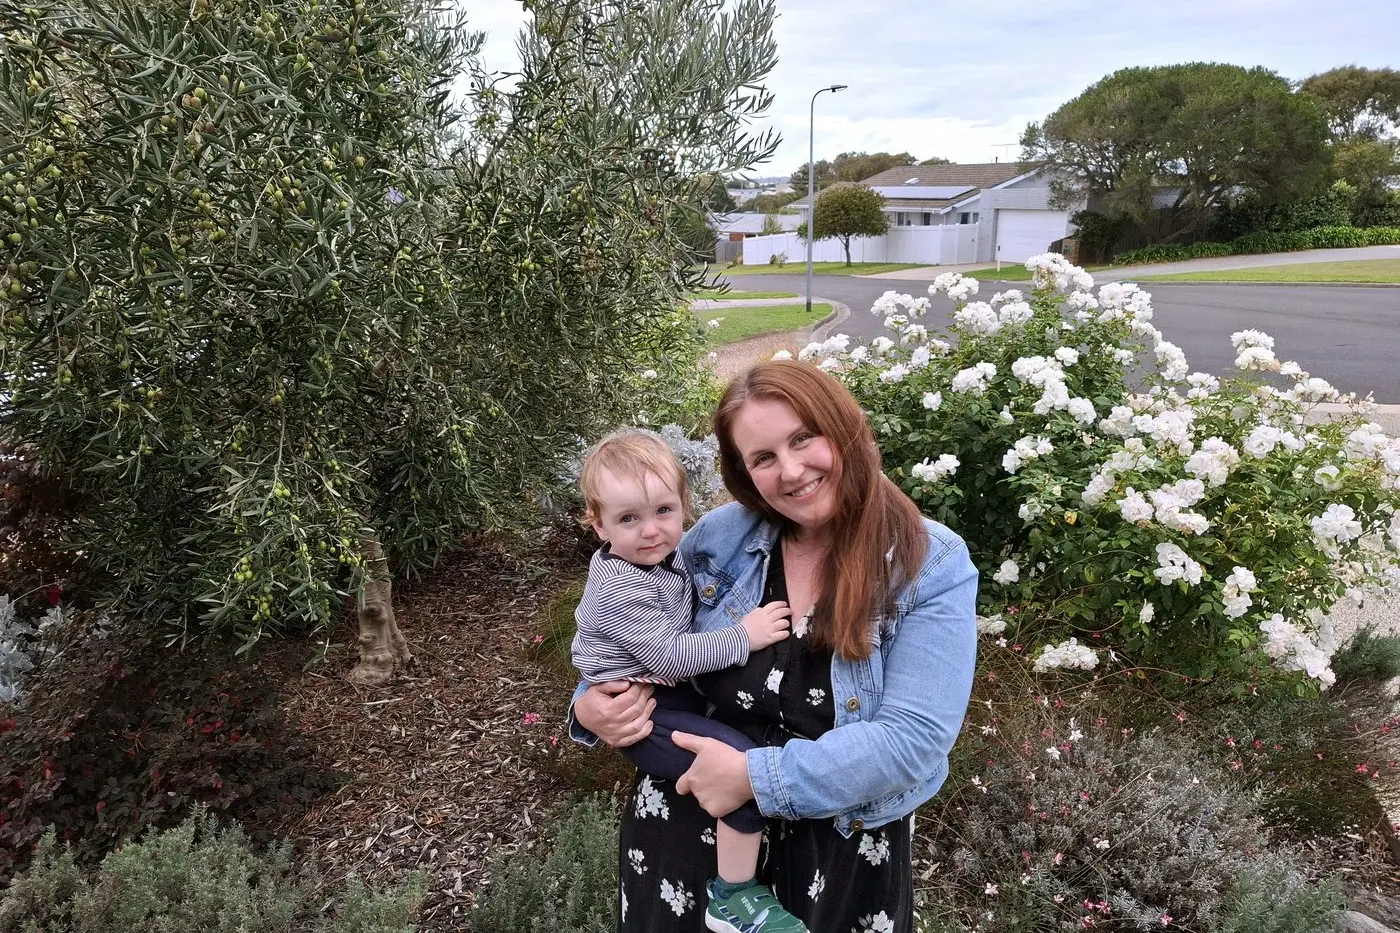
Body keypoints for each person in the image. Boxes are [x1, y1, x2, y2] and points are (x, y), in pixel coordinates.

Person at [570, 361, 979, 933]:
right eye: (763, 458)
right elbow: (632, 623)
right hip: (688, 842)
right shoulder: (720, 538)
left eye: (803, 438)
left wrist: (755, 779)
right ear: (744, 473)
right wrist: (590, 704)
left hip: (837, 856)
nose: (790, 470)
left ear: (844, 428)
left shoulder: (927, 562)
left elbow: (914, 741)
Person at [570, 429, 811, 933]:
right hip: (650, 713)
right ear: (599, 527)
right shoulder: (620, 584)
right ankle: (733, 897)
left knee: (739, 766)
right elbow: (668, 656)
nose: (651, 530)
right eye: (628, 519)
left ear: (684, 505)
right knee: (742, 772)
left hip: (664, 700)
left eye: (663, 511)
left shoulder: (666, 557)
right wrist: (744, 635)